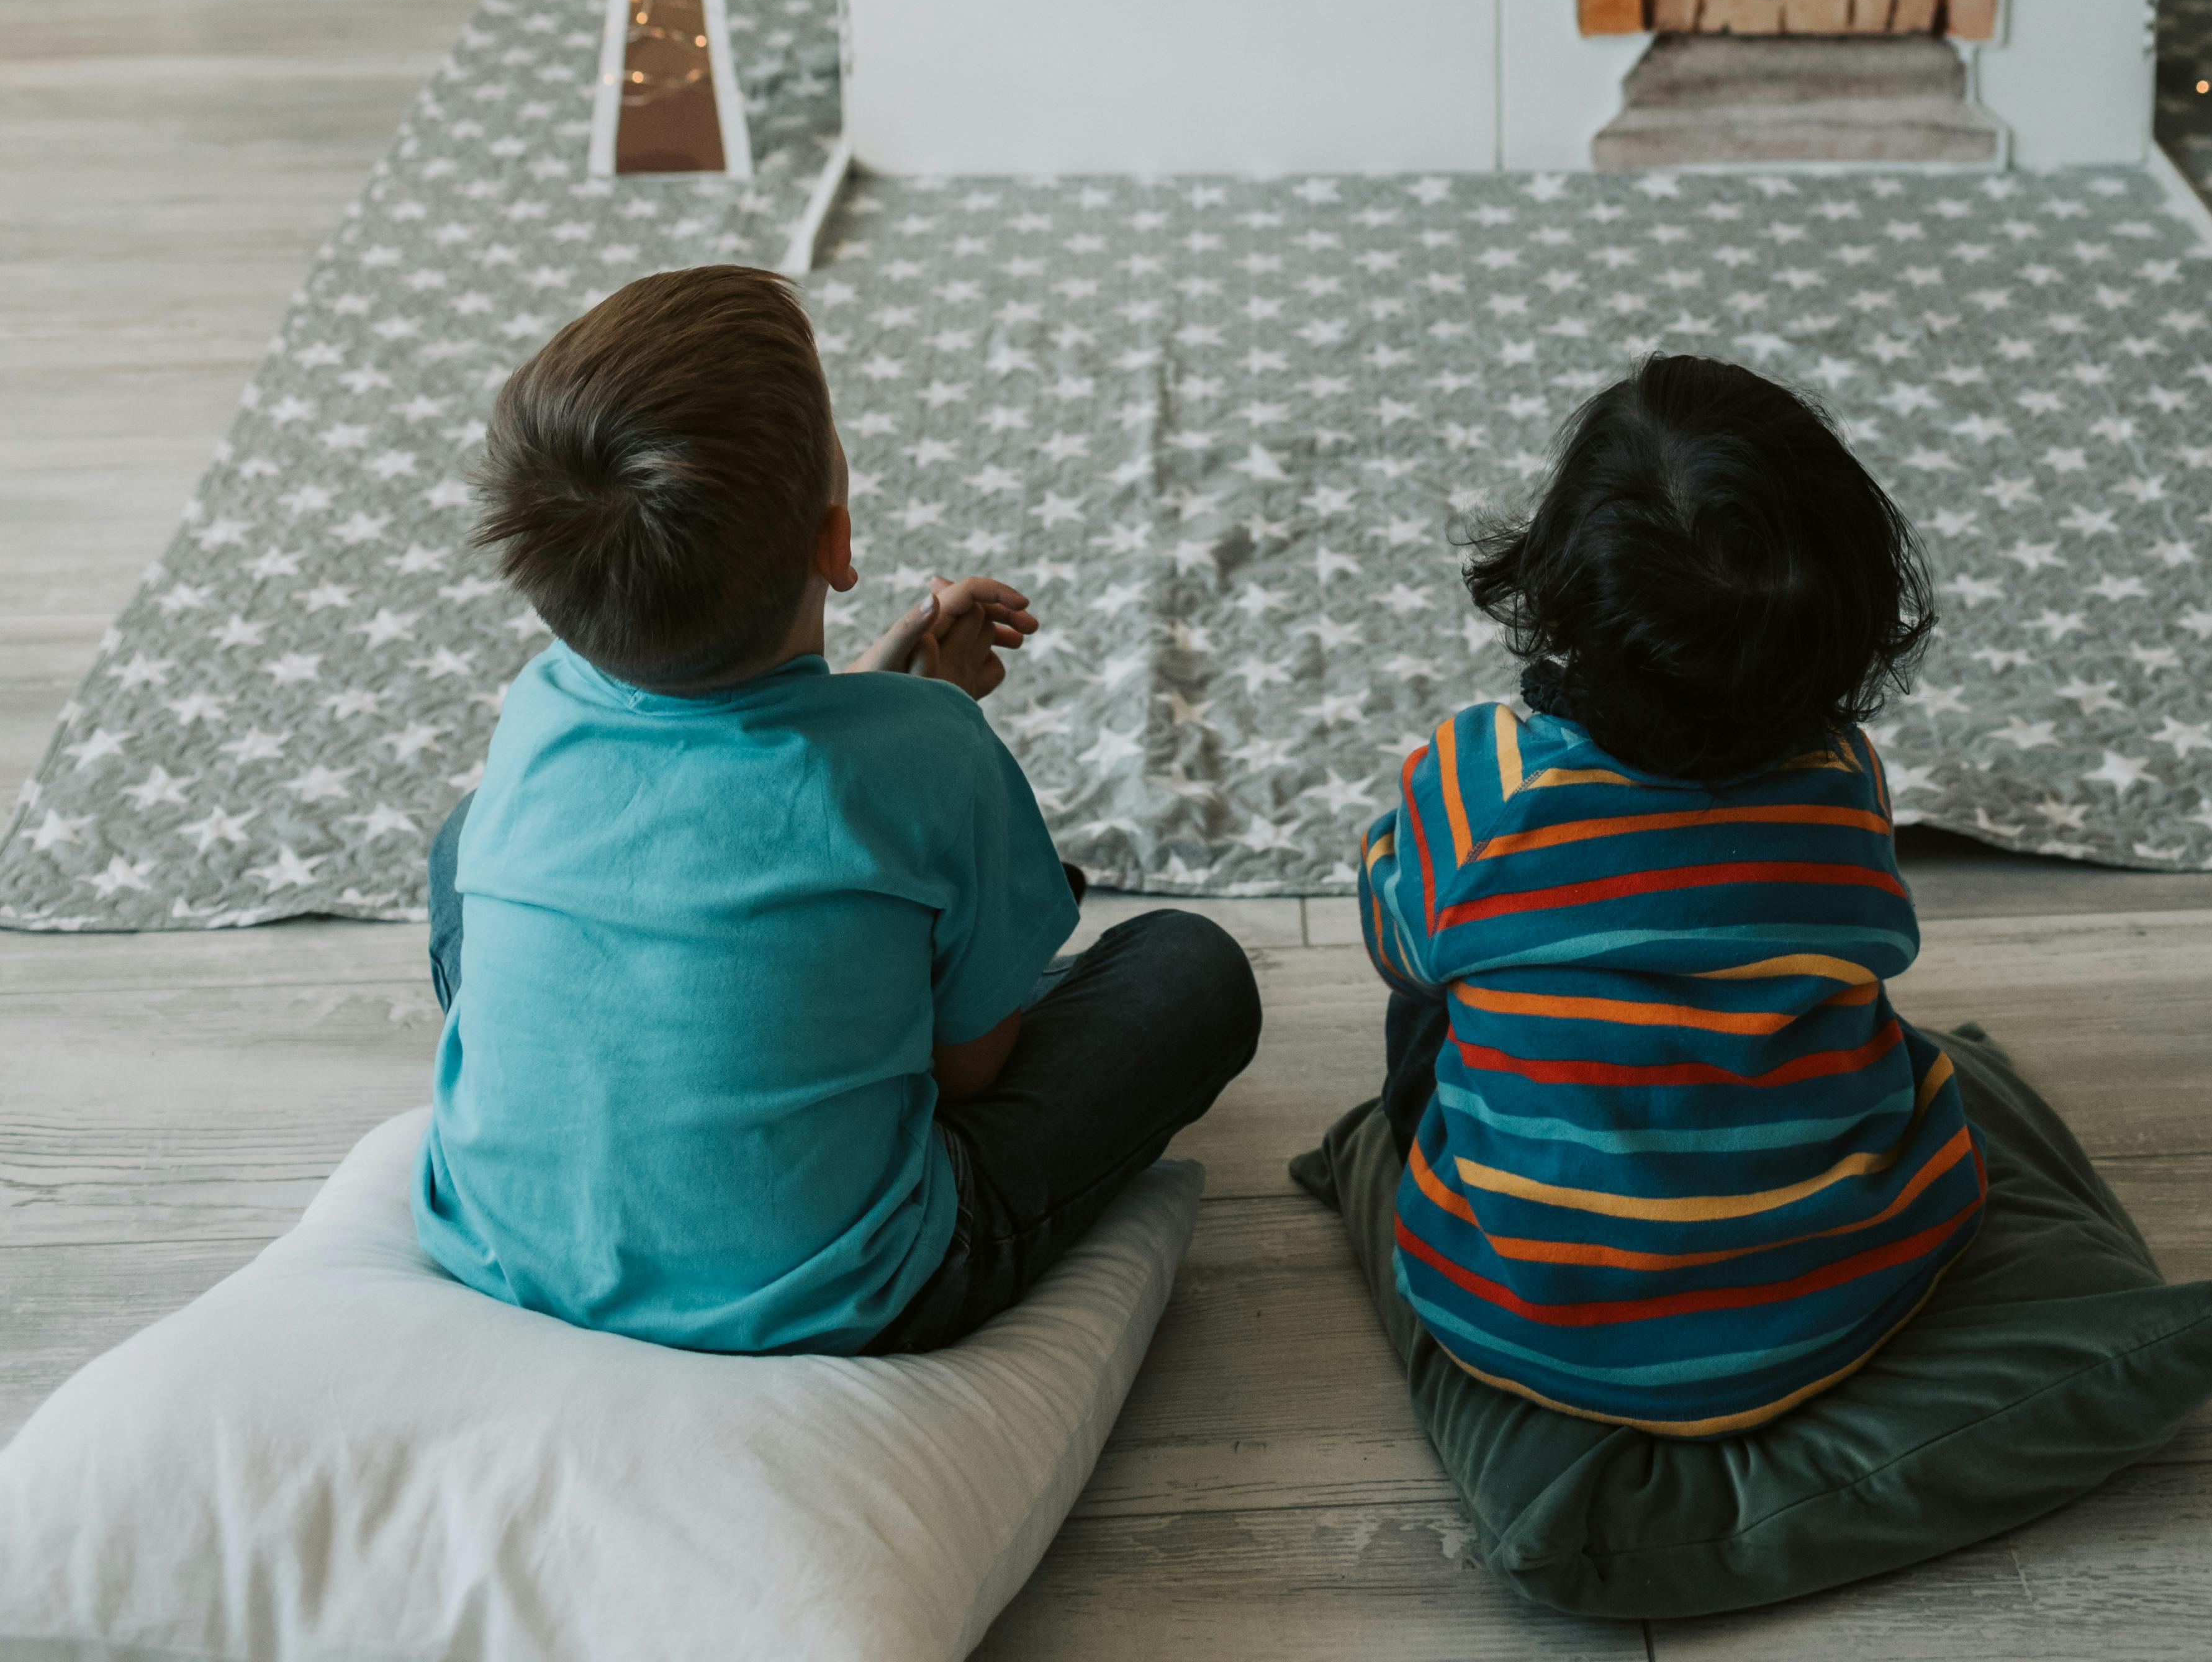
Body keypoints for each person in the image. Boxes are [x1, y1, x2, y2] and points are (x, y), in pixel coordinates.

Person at [415, 262, 1259, 1353]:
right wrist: (919, 716)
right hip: (836, 1286)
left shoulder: (538, 708)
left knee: (463, 843)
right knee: (1191, 971)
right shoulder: (932, 756)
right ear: (837, 541)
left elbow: (731, 771)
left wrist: (881, 695)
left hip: (502, 1240)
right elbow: (972, 1074)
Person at [1337, 351, 1982, 1434]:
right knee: (1849, 1012)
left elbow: (1393, 941)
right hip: (1840, 1303)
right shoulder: (1842, 779)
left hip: (1518, 1314)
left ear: (1558, 582)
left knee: (1436, 982)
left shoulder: (1485, 780)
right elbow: (1874, 937)